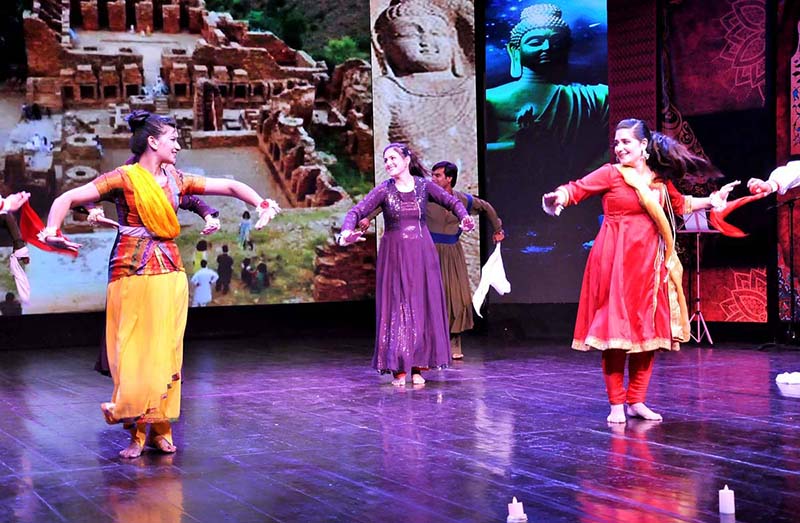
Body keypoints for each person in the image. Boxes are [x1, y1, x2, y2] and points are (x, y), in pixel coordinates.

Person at [39, 110, 279, 458]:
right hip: (131, 272)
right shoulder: (123, 178)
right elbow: (67, 199)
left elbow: (228, 186)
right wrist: (52, 231)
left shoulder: (176, 179)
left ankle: (161, 428)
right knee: (134, 354)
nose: (178, 146)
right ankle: (137, 433)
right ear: (153, 141)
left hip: (170, 273)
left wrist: (261, 202)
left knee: (166, 354)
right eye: (173, 139)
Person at [542, 119, 739, 424]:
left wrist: (711, 201)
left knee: (648, 333)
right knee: (615, 333)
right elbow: (577, 189)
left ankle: (636, 399)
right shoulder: (611, 174)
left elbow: (680, 204)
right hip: (615, 261)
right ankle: (616, 403)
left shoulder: (659, 180)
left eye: (626, 143)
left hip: (649, 265)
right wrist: (560, 197)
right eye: (617, 143)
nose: (619, 148)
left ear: (643, 146)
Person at [339, 143, 475, 386]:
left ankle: (418, 367)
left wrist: (464, 218)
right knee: (398, 307)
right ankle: (398, 367)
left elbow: (451, 201)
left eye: (392, 158)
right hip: (395, 254)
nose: (388, 163)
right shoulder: (384, 190)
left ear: (406, 159)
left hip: (423, 253)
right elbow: (357, 211)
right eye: (385, 160)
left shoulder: (424, 187)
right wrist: (346, 232)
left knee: (421, 306)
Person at [427, 161, 504, 359]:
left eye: (437, 175)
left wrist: (497, 230)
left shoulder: (462, 200)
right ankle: (431, 344)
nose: (433, 179)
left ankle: (455, 343)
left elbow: (486, 207)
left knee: (457, 298)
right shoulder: (425, 198)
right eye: (433, 175)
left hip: (453, 253)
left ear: (449, 179)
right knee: (431, 297)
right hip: (428, 252)